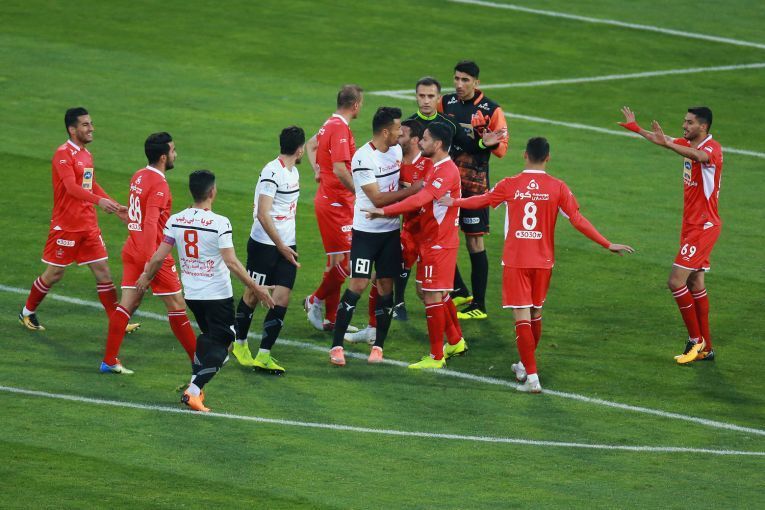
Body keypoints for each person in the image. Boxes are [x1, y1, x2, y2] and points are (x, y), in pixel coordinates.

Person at [439, 137, 634, 392]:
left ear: (525, 155)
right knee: (535, 314)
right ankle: (524, 365)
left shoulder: (510, 184)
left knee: (521, 317)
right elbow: (577, 219)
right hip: (543, 262)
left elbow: (482, 200)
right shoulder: (558, 187)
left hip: (516, 260)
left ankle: (532, 379)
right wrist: (607, 243)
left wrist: (454, 202)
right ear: (548, 157)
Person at [136, 170, 274, 412]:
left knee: (208, 336)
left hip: (192, 295)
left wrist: (146, 277)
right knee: (224, 345)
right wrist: (257, 288)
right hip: (217, 296)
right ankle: (193, 391)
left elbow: (159, 256)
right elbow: (231, 262)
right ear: (212, 192)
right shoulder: (220, 223)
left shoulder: (176, 220)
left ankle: (195, 385)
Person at [618, 106, 723, 364]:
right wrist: (638, 129)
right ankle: (707, 349)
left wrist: (670, 144)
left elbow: (698, 156)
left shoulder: (712, 148)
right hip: (691, 225)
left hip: (703, 226)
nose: (684, 126)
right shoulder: (688, 144)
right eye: (684, 121)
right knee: (695, 284)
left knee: (676, 282)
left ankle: (695, 340)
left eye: (689, 123)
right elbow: (663, 139)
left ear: (703, 127)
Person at [19, 107, 132, 332]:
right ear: (72, 129)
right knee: (55, 273)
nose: (92, 128)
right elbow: (71, 187)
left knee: (103, 272)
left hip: (88, 225)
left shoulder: (86, 154)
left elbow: (90, 185)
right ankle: (27, 312)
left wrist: (115, 206)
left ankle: (117, 322)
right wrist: (99, 202)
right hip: (67, 225)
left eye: (91, 124)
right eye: (85, 125)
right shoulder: (63, 154)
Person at [364, 122, 467, 369]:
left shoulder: (445, 171)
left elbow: (420, 199)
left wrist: (384, 211)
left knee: (431, 295)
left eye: (426, 139)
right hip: (430, 240)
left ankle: (436, 356)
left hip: (439, 243)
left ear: (438, 144)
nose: (420, 142)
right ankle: (455, 341)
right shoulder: (436, 167)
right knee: (430, 292)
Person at [329, 107, 420, 366]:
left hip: (390, 233)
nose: (400, 133)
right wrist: (412, 191)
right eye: (397, 128)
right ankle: (336, 346)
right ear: (385, 132)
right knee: (358, 284)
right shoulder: (363, 158)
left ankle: (378, 346)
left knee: (386, 287)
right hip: (366, 234)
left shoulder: (396, 150)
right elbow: (377, 199)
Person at [100, 133, 198, 374]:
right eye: (173, 150)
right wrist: (149, 266)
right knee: (177, 305)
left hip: (132, 248)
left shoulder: (139, 176)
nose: (176, 154)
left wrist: (128, 218)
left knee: (128, 304)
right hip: (151, 253)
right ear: (163, 157)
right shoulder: (159, 185)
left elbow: (138, 218)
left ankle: (109, 360)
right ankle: (199, 361)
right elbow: (151, 224)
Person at [344, 118, 435, 343]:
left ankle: (451, 340)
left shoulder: (430, 164)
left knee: (428, 291)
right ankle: (373, 329)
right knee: (382, 278)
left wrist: (386, 209)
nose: (397, 137)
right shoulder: (398, 161)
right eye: (397, 132)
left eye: (402, 134)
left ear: (414, 140)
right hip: (406, 233)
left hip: (429, 234)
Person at [439, 60, 509, 320]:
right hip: (448, 184)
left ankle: (479, 305)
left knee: (474, 242)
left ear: (476, 82)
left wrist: (487, 139)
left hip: (474, 187)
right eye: (456, 78)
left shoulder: (491, 110)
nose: (459, 84)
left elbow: (502, 150)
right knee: (439, 236)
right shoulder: (446, 103)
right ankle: (459, 290)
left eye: (465, 80)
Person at [233, 126, 305, 375]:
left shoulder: (293, 172)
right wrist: (281, 246)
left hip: (287, 245)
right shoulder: (271, 172)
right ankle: (240, 344)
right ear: (299, 150)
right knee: (254, 294)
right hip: (264, 245)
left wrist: (286, 245)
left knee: (282, 297)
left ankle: (264, 354)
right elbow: (263, 214)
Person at [303, 85, 364, 332]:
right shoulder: (339, 128)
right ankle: (314, 299)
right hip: (335, 204)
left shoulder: (330, 123)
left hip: (336, 202)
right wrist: (360, 193)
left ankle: (331, 318)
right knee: (347, 263)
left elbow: (310, 145)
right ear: (356, 105)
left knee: (336, 261)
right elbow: (340, 169)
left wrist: (317, 169)